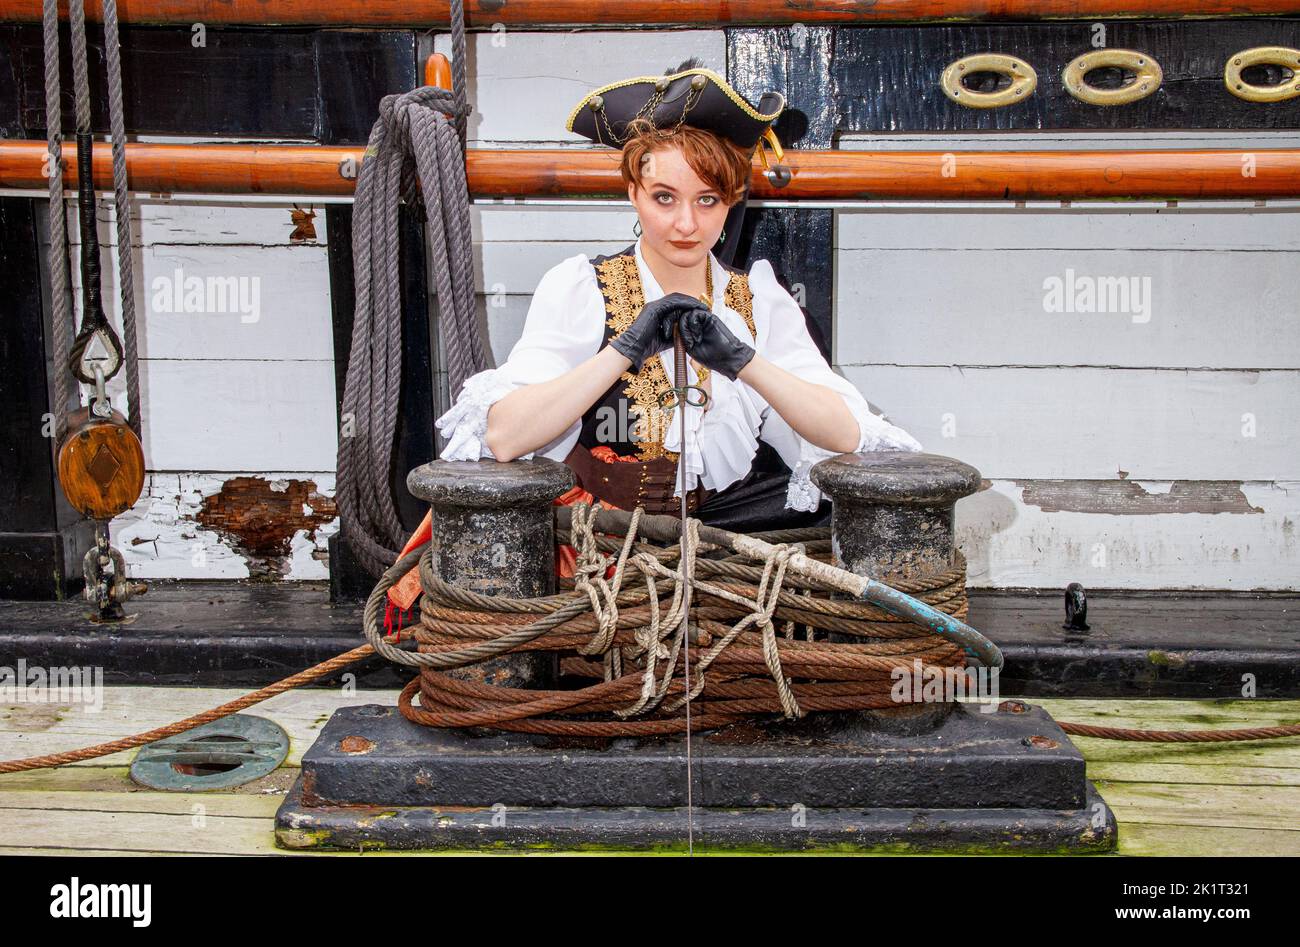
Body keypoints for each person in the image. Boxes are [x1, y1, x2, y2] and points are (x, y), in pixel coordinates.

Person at [384, 59, 922, 625]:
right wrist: (622, 350)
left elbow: (842, 433)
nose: (685, 224)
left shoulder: (758, 300)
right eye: (664, 197)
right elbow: (505, 436)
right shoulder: (580, 287)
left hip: (723, 528)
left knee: (839, 529)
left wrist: (743, 361)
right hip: (603, 531)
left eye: (707, 200)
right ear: (634, 193)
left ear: (731, 199)